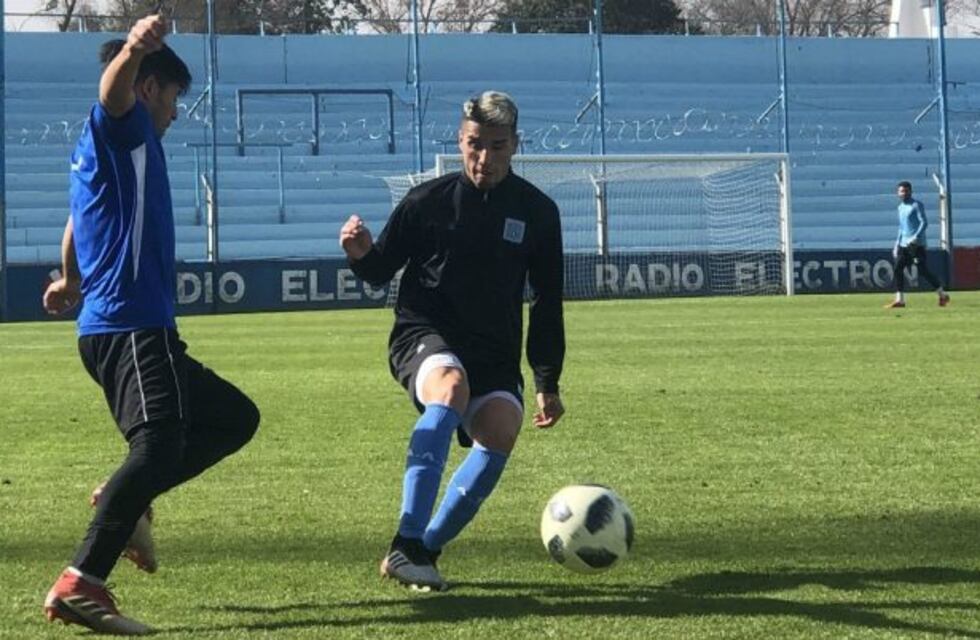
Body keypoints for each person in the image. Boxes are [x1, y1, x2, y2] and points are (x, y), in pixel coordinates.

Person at [41, 15, 260, 635]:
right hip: (132, 326)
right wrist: (136, 48)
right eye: (172, 98)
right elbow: (111, 94)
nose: (174, 112)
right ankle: (82, 580)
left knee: (234, 418)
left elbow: (75, 221)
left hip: (123, 325)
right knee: (159, 445)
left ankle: (131, 500)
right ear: (149, 88)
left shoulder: (110, 153)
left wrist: (71, 280)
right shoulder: (125, 125)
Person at [339, 91, 566, 592]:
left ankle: (422, 552)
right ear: (460, 141)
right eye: (474, 144)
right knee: (450, 388)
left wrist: (547, 380)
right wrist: (360, 253)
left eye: (497, 146)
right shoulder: (426, 202)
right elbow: (380, 271)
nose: (484, 157)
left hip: (494, 350)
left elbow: (547, 301)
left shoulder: (538, 212)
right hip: (424, 333)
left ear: (515, 145)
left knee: (501, 429)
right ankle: (405, 539)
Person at [885, 181, 950, 309]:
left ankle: (942, 295)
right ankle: (900, 300)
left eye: (906, 191)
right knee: (898, 268)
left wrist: (915, 237)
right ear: (898, 193)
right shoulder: (900, 207)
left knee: (922, 271)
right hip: (904, 244)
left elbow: (924, 223)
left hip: (916, 245)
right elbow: (901, 227)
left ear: (911, 192)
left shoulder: (916, 205)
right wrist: (897, 243)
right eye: (901, 191)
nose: (904, 193)